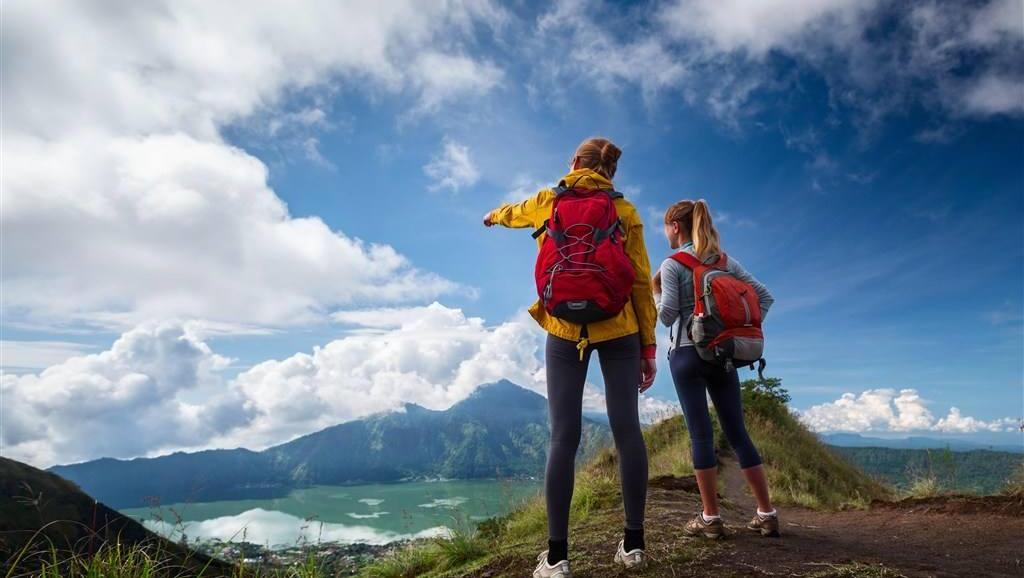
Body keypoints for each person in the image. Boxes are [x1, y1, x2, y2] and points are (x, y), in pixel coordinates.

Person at [484, 137, 657, 576]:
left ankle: (557, 557)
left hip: (563, 329)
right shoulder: (626, 211)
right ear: (609, 172)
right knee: (627, 432)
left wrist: (494, 216)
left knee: (563, 437)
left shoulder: (549, 201)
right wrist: (648, 346)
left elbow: (513, 213)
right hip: (620, 329)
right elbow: (639, 281)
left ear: (575, 162)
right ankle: (633, 546)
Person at [653, 199, 780, 539]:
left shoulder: (672, 264)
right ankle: (766, 514)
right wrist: (733, 330)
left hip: (686, 354)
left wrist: (655, 295)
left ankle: (711, 518)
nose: (664, 232)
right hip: (722, 354)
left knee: (701, 434)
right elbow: (764, 297)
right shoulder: (725, 261)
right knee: (737, 432)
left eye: (665, 226)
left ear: (675, 226)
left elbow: (666, 315)